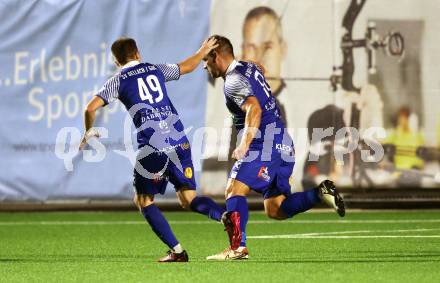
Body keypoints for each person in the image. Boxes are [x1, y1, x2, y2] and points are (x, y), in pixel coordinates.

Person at [79, 37, 228, 262]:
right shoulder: (155, 69)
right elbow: (186, 67)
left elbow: (90, 108)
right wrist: (202, 51)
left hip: (154, 148)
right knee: (189, 198)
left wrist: (89, 132)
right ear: (137, 53)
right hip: (180, 142)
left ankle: (177, 252)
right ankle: (225, 217)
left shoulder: (117, 80)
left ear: (116, 61)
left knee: (143, 200)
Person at [201, 35, 345, 260]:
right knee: (276, 208)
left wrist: (244, 144)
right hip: (283, 142)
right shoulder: (247, 67)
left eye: (205, 60)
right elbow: (260, 68)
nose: (204, 65)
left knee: (233, 190)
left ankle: (238, 247)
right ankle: (320, 194)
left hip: (263, 143)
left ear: (216, 56)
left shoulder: (232, 82)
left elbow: (254, 109)